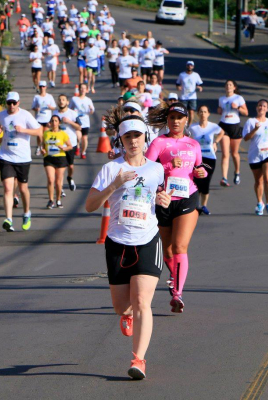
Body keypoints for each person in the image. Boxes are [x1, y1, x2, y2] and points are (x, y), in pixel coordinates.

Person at [85, 116, 172, 380]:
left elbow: (158, 196)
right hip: (117, 243)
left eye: (137, 136)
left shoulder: (156, 169)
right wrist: (115, 184)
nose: (133, 141)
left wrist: (162, 199)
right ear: (121, 141)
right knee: (122, 306)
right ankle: (127, 315)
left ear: (145, 138)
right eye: (127, 137)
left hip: (147, 240)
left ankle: (139, 360)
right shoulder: (112, 169)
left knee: (143, 302)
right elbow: (90, 205)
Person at [145, 103, 207, 313]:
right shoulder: (159, 143)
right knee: (168, 249)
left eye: (179, 118)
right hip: (163, 199)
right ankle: (174, 277)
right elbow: (145, 169)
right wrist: (168, 166)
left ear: (185, 120)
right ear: (167, 120)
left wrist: (201, 173)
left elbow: (199, 168)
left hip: (187, 198)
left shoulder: (193, 145)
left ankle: (177, 294)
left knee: (180, 246)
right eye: (172, 117)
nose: (176, 121)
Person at [0, 92, 43, 232]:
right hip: (6, 156)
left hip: (22, 158)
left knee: (22, 189)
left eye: (14, 103)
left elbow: (39, 131)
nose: (11, 105)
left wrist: (24, 130)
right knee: (8, 189)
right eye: (9, 103)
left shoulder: (25, 115)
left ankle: (27, 213)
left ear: (18, 103)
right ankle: (9, 219)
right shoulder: (1, 115)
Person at [242, 99, 268, 216]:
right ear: (256, 108)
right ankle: (259, 203)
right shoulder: (250, 121)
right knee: (258, 181)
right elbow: (246, 138)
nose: (262, 108)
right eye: (260, 106)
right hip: (255, 154)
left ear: (267, 109)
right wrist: (255, 129)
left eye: (264, 106)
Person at [189, 105, 224, 215]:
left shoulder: (213, 126)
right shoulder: (193, 127)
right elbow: (186, 137)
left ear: (208, 114)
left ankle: (204, 206)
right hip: (197, 158)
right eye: (201, 112)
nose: (203, 114)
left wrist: (215, 142)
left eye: (205, 112)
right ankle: (196, 205)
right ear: (198, 114)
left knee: (206, 182)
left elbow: (221, 132)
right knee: (197, 182)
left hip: (210, 157)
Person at [217, 79, 248, 186]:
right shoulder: (221, 99)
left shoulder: (238, 98)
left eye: (230, 85)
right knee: (225, 154)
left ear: (234, 87)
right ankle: (224, 178)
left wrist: (238, 107)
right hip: (223, 125)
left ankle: (237, 172)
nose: (228, 86)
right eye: (227, 85)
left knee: (234, 153)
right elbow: (220, 110)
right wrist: (219, 110)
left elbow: (246, 112)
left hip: (234, 126)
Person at [42, 115, 73, 208]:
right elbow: (43, 145)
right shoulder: (46, 133)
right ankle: (51, 200)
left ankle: (58, 199)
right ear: (50, 123)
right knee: (51, 179)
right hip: (49, 158)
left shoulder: (63, 134)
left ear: (59, 123)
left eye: (56, 121)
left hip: (60, 158)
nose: (54, 123)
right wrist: (43, 150)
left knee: (58, 182)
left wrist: (64, 148)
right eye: (52, 121)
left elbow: (70, 146)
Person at [54, 94, 82, 192]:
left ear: (67, 102)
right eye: (60, 100)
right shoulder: (55, 113)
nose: (61, 101)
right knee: (60, 168)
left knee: (70, 166)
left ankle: (70, 178)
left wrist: (69, 122)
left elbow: (79, 127)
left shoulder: (73, 114)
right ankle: (60, 189)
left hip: (71, 144)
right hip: (58, 145)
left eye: (63, 100)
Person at [69, 83, 95, 159]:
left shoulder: (88, 100)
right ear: (79, 89)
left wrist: (90, 109)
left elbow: (92, 111)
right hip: (77, 121)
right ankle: (77, 146)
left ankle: (83, 152)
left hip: (85, 122)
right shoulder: (74, 99)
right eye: (81, 88)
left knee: (84, 138)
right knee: (78, 136)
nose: (82, 89)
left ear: (86, 90)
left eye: (84, 88)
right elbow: (70, 109)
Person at [32, 81, 57, 155]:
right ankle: (39, 147)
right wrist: (37, 109)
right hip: (39, 118)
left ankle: (44, 148)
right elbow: (33, 107)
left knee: (45, 134)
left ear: (46, 87)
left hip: (47, 119)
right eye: (40, 87)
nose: (42, 88)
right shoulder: (36, 97)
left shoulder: (49, 96)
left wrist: (50, 107)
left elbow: (54, 107)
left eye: (43, 86)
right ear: (39, 87)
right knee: (39, 134)